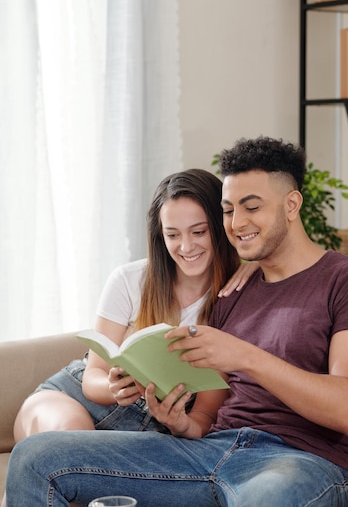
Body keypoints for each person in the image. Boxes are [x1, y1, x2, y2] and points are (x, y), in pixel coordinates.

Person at [6, 136, 348, 507]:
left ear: (292, 204)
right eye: (229, 210)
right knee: (38, 457)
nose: (237, 223)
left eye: (251, 207)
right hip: (213, 452)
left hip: (307, 462)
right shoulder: (234, 293)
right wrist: (180, 421)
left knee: (266, 500)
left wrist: (245, 355)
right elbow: (206, 419)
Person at [13, 168, 255, 441]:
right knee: (72, 435)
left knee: (89, 458)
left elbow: (205, 416)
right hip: (72, 400)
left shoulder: (235, 299)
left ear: (221, 227)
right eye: (173, 235)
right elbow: (92, 376)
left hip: (148, 430)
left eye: (198, 231)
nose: (186, 247)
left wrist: (180, 425)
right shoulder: (129, 280)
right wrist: (114, 388)